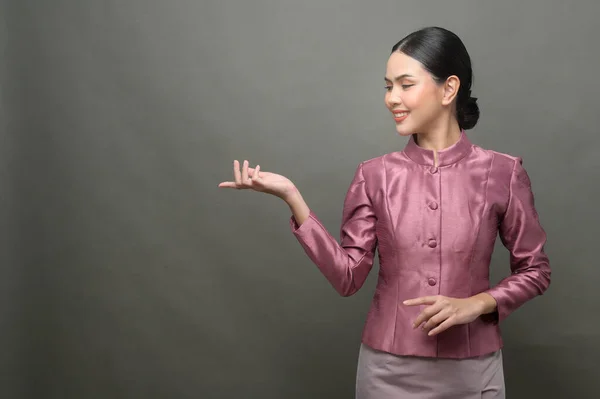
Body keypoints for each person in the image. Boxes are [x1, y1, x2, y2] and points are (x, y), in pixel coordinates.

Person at [218, 26, 550, 399]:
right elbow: (348, 277)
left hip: (474, 371)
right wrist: (293, 198)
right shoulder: (374, 175)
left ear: (449, 88)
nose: (392, 98)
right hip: (388, 373)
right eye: (388, 86)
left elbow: (535, 270)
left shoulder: (503, 173)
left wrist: (479, 303)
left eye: (405, 84)